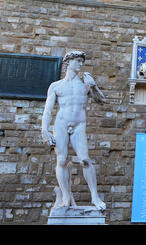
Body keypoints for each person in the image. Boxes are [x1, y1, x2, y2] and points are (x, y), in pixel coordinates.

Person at [41, 50, 106, 210]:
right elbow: (47, 110)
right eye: (77, 60)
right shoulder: (56, 86)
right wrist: (45, 130)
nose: (80, 64)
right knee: (62, 160)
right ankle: (66, 198)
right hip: (61, 124)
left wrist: (94, 85)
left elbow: (101, 101)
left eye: (81, 61)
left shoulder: (85, 83)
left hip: (79, 125)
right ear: (68, 62)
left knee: (85, 159)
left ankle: (95, 197)